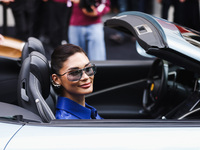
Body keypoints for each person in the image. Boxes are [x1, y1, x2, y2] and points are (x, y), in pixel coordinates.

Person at [51, 43, 102, 119]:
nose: (85, 77)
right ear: (56, 79)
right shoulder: (67, 123)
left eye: (88, 69)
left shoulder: (85, 110)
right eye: (75, 72)